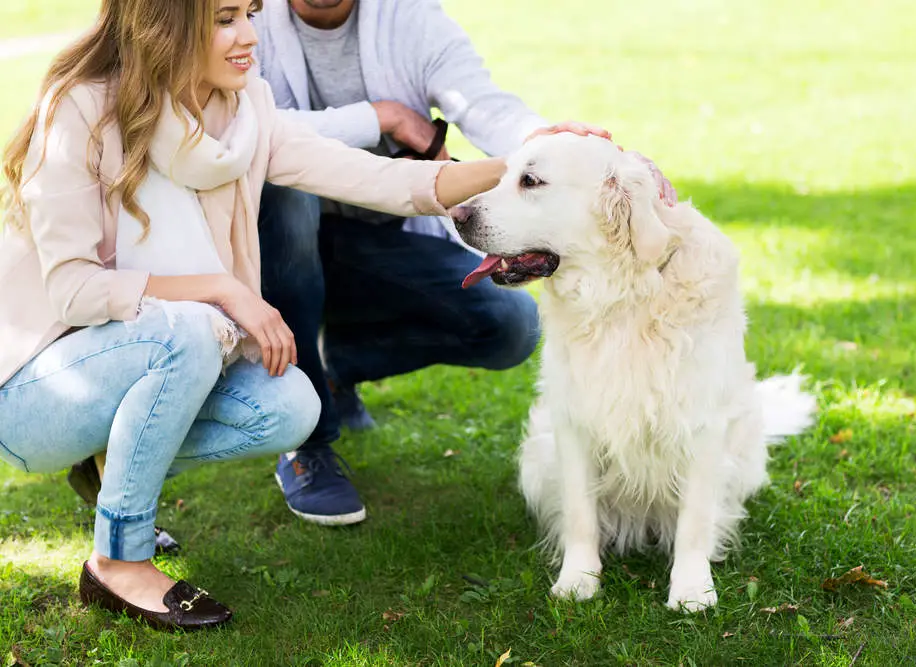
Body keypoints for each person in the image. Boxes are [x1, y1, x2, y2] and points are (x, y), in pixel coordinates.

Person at [0, 0, 606, 630]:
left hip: (143, 359)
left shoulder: (243, 111)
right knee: (183, 327)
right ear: (166, 21)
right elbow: (74, 289)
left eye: (250, 15)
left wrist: (529, 166)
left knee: (290, 406)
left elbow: (384, 181)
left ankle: (111, 462)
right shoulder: (81, 109)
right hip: (36, 390)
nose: (249, 37)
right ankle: (118, 562)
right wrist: (223, 290)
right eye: (225, 18)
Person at [253, 0, 553, 526]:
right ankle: (307, 442)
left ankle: (329, 371)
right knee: (285, 192)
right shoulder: (244, 18)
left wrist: (555, 145)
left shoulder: (410, 16)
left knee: (511, 326)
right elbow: (244, 123)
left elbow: (482, 103)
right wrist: (382, 117)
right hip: (274, 256)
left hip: (379, 245)